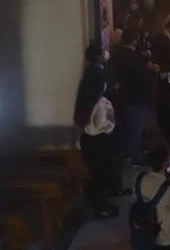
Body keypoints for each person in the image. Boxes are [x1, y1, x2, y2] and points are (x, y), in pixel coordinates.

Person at [74, 41, 126, 218]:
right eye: (103, 51)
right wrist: (109, 126)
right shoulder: (95, 78)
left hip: (95, 135)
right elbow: (97, 115)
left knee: (103, 169)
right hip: (98, 136)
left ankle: (104, 198)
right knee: (100, 171)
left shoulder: (94, 73)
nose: (106, 53)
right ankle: (100, 207)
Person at [113, 25, 159, 166]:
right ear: (134, 40)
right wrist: (152, 72)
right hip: (136, 98)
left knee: (127, 127)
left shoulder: (117, 54)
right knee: (135, 129)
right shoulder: (133, 57)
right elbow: (141, 79)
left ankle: (127, 153)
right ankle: (137, 157)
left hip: (124, 97)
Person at [132, 145, 170, 249]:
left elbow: (136, 198)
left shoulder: (138, 179)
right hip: (164, 236)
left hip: (142, 233)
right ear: (165, 163)